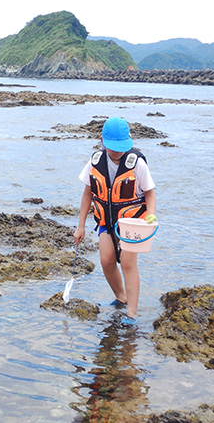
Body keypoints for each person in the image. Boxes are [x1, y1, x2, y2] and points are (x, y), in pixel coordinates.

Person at [74, 117, 157, 325]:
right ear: (102, 141)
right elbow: (87, 194)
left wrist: (151, 215)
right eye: (113, 148)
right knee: (106, 261)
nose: (118, 152)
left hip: (132, 222)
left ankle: (132, 313)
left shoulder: (137, 163)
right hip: (106, 221)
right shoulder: (95, 162)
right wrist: (81, 225)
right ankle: (121, 297)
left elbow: (150, 193)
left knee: (128, 263)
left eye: (121, 148)